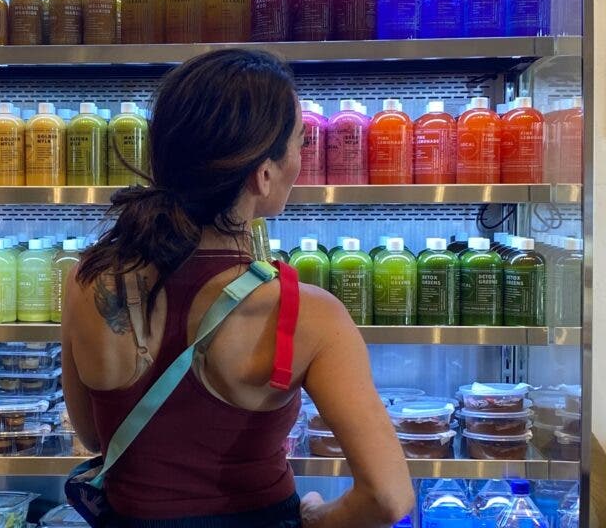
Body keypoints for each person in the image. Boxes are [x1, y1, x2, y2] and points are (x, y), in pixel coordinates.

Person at [61, 49, 414, 528]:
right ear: (262, 173)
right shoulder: (305, 312)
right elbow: (388, 498)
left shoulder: (89, 281)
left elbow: (94, 434)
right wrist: (312, 517)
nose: (301, 158)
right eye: (298, 143)